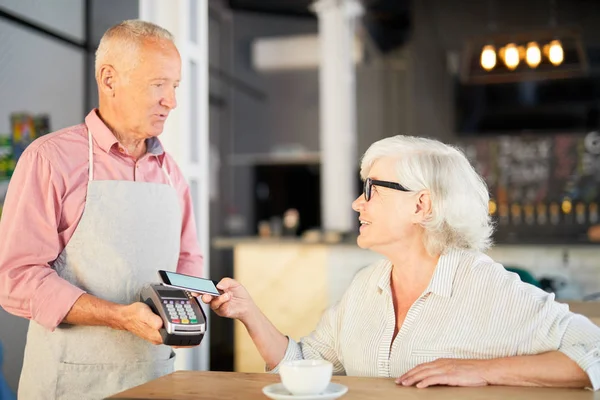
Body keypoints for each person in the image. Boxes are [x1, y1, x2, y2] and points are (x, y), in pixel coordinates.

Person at [203, 135, 600, 390]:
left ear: (421, 204)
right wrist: (249, 313)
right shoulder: (367, 285)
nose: (358, 203)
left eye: (372, 190)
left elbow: (594, 352)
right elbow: (305, 365)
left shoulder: (484, 285)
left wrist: (482, 370)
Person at [0, 20, 203, 399]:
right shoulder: (49, 159)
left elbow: (189, 260)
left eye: (174, 87)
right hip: (69, 383)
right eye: (158, 84)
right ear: (109, 79)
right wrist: (118, 316)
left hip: (154, 377)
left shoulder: (171, 173)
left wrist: (191, 305)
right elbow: (16, 277)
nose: (171, 101)